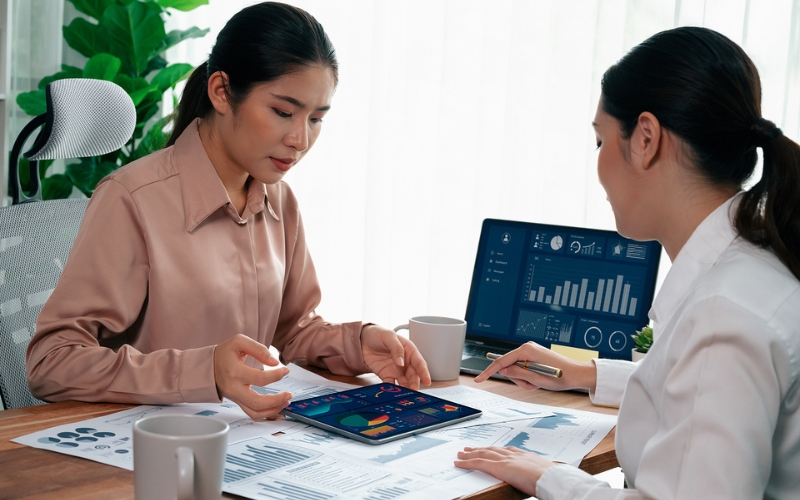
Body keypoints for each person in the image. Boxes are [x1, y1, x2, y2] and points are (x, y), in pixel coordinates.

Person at [26, 2, 430, 420]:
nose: (299, 139)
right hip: (147, 453)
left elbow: (293, 330)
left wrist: (358, 343)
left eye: (316, 119)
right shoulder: (133, 198)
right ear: (221, 91)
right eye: (283, 112)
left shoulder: (280, 200)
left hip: (247, 444)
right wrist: (205, 372)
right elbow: (51, 363)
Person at [454, 26, 800, 499]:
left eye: (600, 141)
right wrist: (586, 374)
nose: (597, 164)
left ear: (646, 139)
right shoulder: (754, 269)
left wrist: (549, 476)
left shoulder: (725, 314)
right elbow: (700, 391)